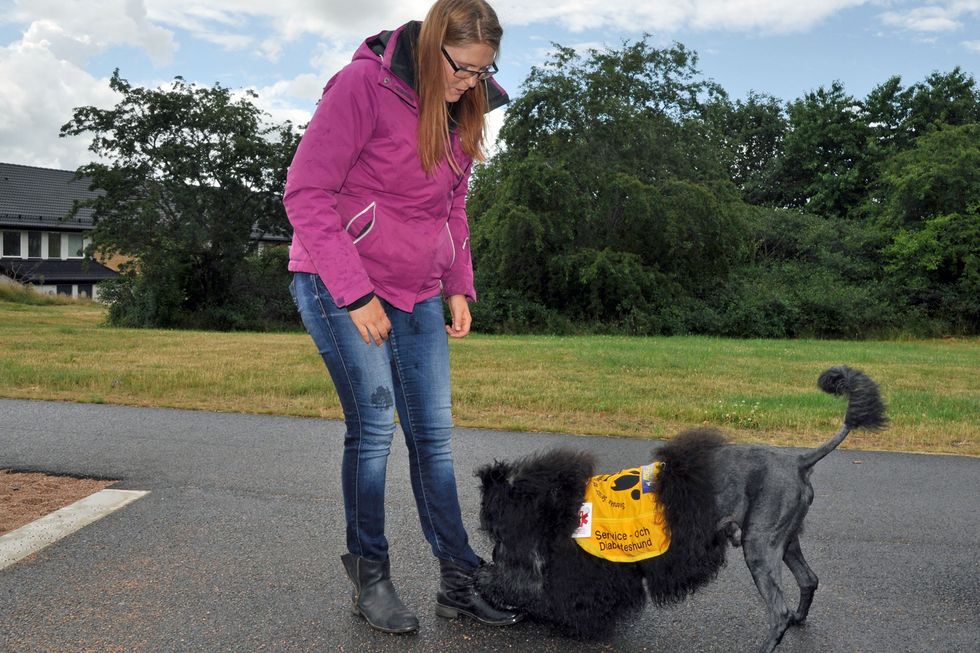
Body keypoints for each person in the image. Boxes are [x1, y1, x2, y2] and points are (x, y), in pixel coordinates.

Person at [283, 0, 518, 635]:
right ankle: (371, 574)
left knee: (435, 439)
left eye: (483, 72)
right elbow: (305, 192)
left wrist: (457, 285)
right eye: (464, 69)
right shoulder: (363, 84)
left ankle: (458, 581)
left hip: (417, 289)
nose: (472, 84)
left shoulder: (463, 105)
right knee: (375, 430)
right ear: (434, 45)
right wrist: (356, 295)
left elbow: (453, 208)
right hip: (342, 282)